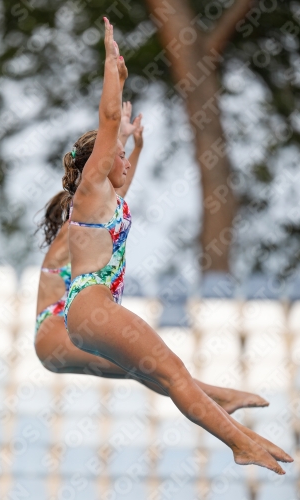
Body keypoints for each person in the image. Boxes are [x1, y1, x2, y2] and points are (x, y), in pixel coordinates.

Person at [59, 17, 292, 474]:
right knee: (172, 372)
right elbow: (106, 122)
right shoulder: (90, 189)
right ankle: (240, 443)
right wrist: (113, 67)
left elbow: (118, 164)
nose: (124, 161)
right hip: (91, 307)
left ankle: (229, 415)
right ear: (98, 164)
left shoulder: (105, 199)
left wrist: (132, 142)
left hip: (89, 312)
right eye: (118, 156)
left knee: (164, 375)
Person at [35, 104, 271, 415]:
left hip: (60, 335)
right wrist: (121, 137)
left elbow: (114, 191)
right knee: (144, 364)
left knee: (143, 365)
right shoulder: (71, 234)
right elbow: (104, 181)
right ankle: (218, 396)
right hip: (53, 338)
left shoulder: (84, 227)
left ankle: (217, 398)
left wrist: (134, 147)